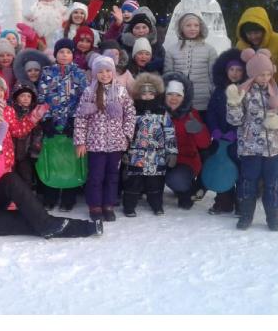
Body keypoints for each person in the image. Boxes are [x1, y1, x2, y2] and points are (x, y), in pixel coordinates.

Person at [235, 6, 278, 205]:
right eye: (249, 32)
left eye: (257, 31)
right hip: (253, 106)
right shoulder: (240, 46)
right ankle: (257, 186)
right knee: (254, 148)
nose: (253, 36)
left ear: (266, 28)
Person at [226, 49, 278, 231]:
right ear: (252, 74)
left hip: (275, 150)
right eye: (260, 75)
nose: (265, 78)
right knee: (248, 181)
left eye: (268, 74)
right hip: (250, 149)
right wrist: (233, 104)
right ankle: (246, 215)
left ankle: (273, 217)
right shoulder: (244, 93)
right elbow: (235, 120)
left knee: (273, 184)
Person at [73, 56, 136, 221]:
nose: (105, 74)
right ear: (95, 74)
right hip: (95, 144)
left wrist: (126, 135)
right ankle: (95, 206)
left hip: (116, 144)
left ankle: (108, 204)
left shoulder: (121, 91)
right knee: (96, 176)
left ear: (113, 72)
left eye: (108, 71)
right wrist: (80, 141)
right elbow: (80, 117)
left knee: (112, 176)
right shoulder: (89, 92)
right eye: (100, 71)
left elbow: (130, 114)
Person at [37, 38, 88, 211]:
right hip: (52, 126)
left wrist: (75, 121)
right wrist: (47, 120)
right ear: (56, 54)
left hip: (71, 126)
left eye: (68, 52)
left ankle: (69, 197)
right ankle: (50, 196)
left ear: (72, 55)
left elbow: (84, 99)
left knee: (70, 160)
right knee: (53, 159)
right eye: (61, 52)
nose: (64, 55)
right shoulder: (47, 73)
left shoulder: (79, 74)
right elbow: (42, 97)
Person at [124, 73, 177, 216]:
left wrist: (171, 152)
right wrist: (124, 151)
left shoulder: (162, 112)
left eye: (150, 93)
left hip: (157, 155)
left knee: (156, 182)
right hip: (136, 154)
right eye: (144, 93)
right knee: (133, 182)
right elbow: (127, 133)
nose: (147, 96)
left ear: (156, 94)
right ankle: (129, 206)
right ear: (138, 94)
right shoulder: (133, 111)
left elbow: (169, 132)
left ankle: (157, 205)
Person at [205, 48, 246, 215]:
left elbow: (248, 116)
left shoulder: (246, 92)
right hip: (220, 138)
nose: (235, 73)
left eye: (239, 70)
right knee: (222, 169)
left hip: (240, 140)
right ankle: (223, 201)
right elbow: (212, 112)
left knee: (240, 170)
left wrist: (236, 133)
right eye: (232, 69)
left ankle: (240, 202)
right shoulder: (219, 90)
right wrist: (214, 129)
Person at [162, 71, 211, 210]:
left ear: (184, 97)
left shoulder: (191, 114)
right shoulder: (158, 112)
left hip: (185, 160)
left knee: (177, 180)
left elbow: (205, 143)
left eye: (178, 95)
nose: (173, 98)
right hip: (160, 158)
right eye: (170, 94)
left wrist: (198, 129)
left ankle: (185, 190)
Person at [163, 11, 217, 119]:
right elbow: (168, 76)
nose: (193, 28)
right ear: (181, 28)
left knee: (201, 131)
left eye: (196, 25)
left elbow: (214, 76)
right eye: (188, 25)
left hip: (203, 101)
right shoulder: (172, 50)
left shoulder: (209, 50)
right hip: (179, 102)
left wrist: (214, 95)